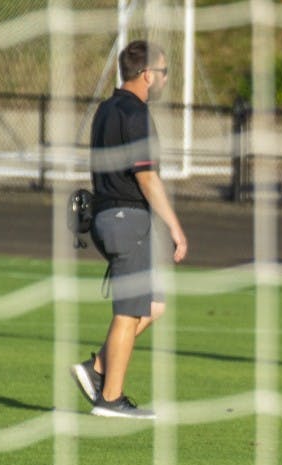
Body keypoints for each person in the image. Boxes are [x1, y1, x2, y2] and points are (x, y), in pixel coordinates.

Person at [70, 40, 188, 419]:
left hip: (107, 216)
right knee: (129, 310)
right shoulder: (135, 114)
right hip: (128, 219)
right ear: (147, 74)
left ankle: (98, 369)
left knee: (153, 306)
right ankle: (110, 398)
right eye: (164, 72)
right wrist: (175, 228)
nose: (166, 79)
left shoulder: (105, 109)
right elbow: (147, 178)